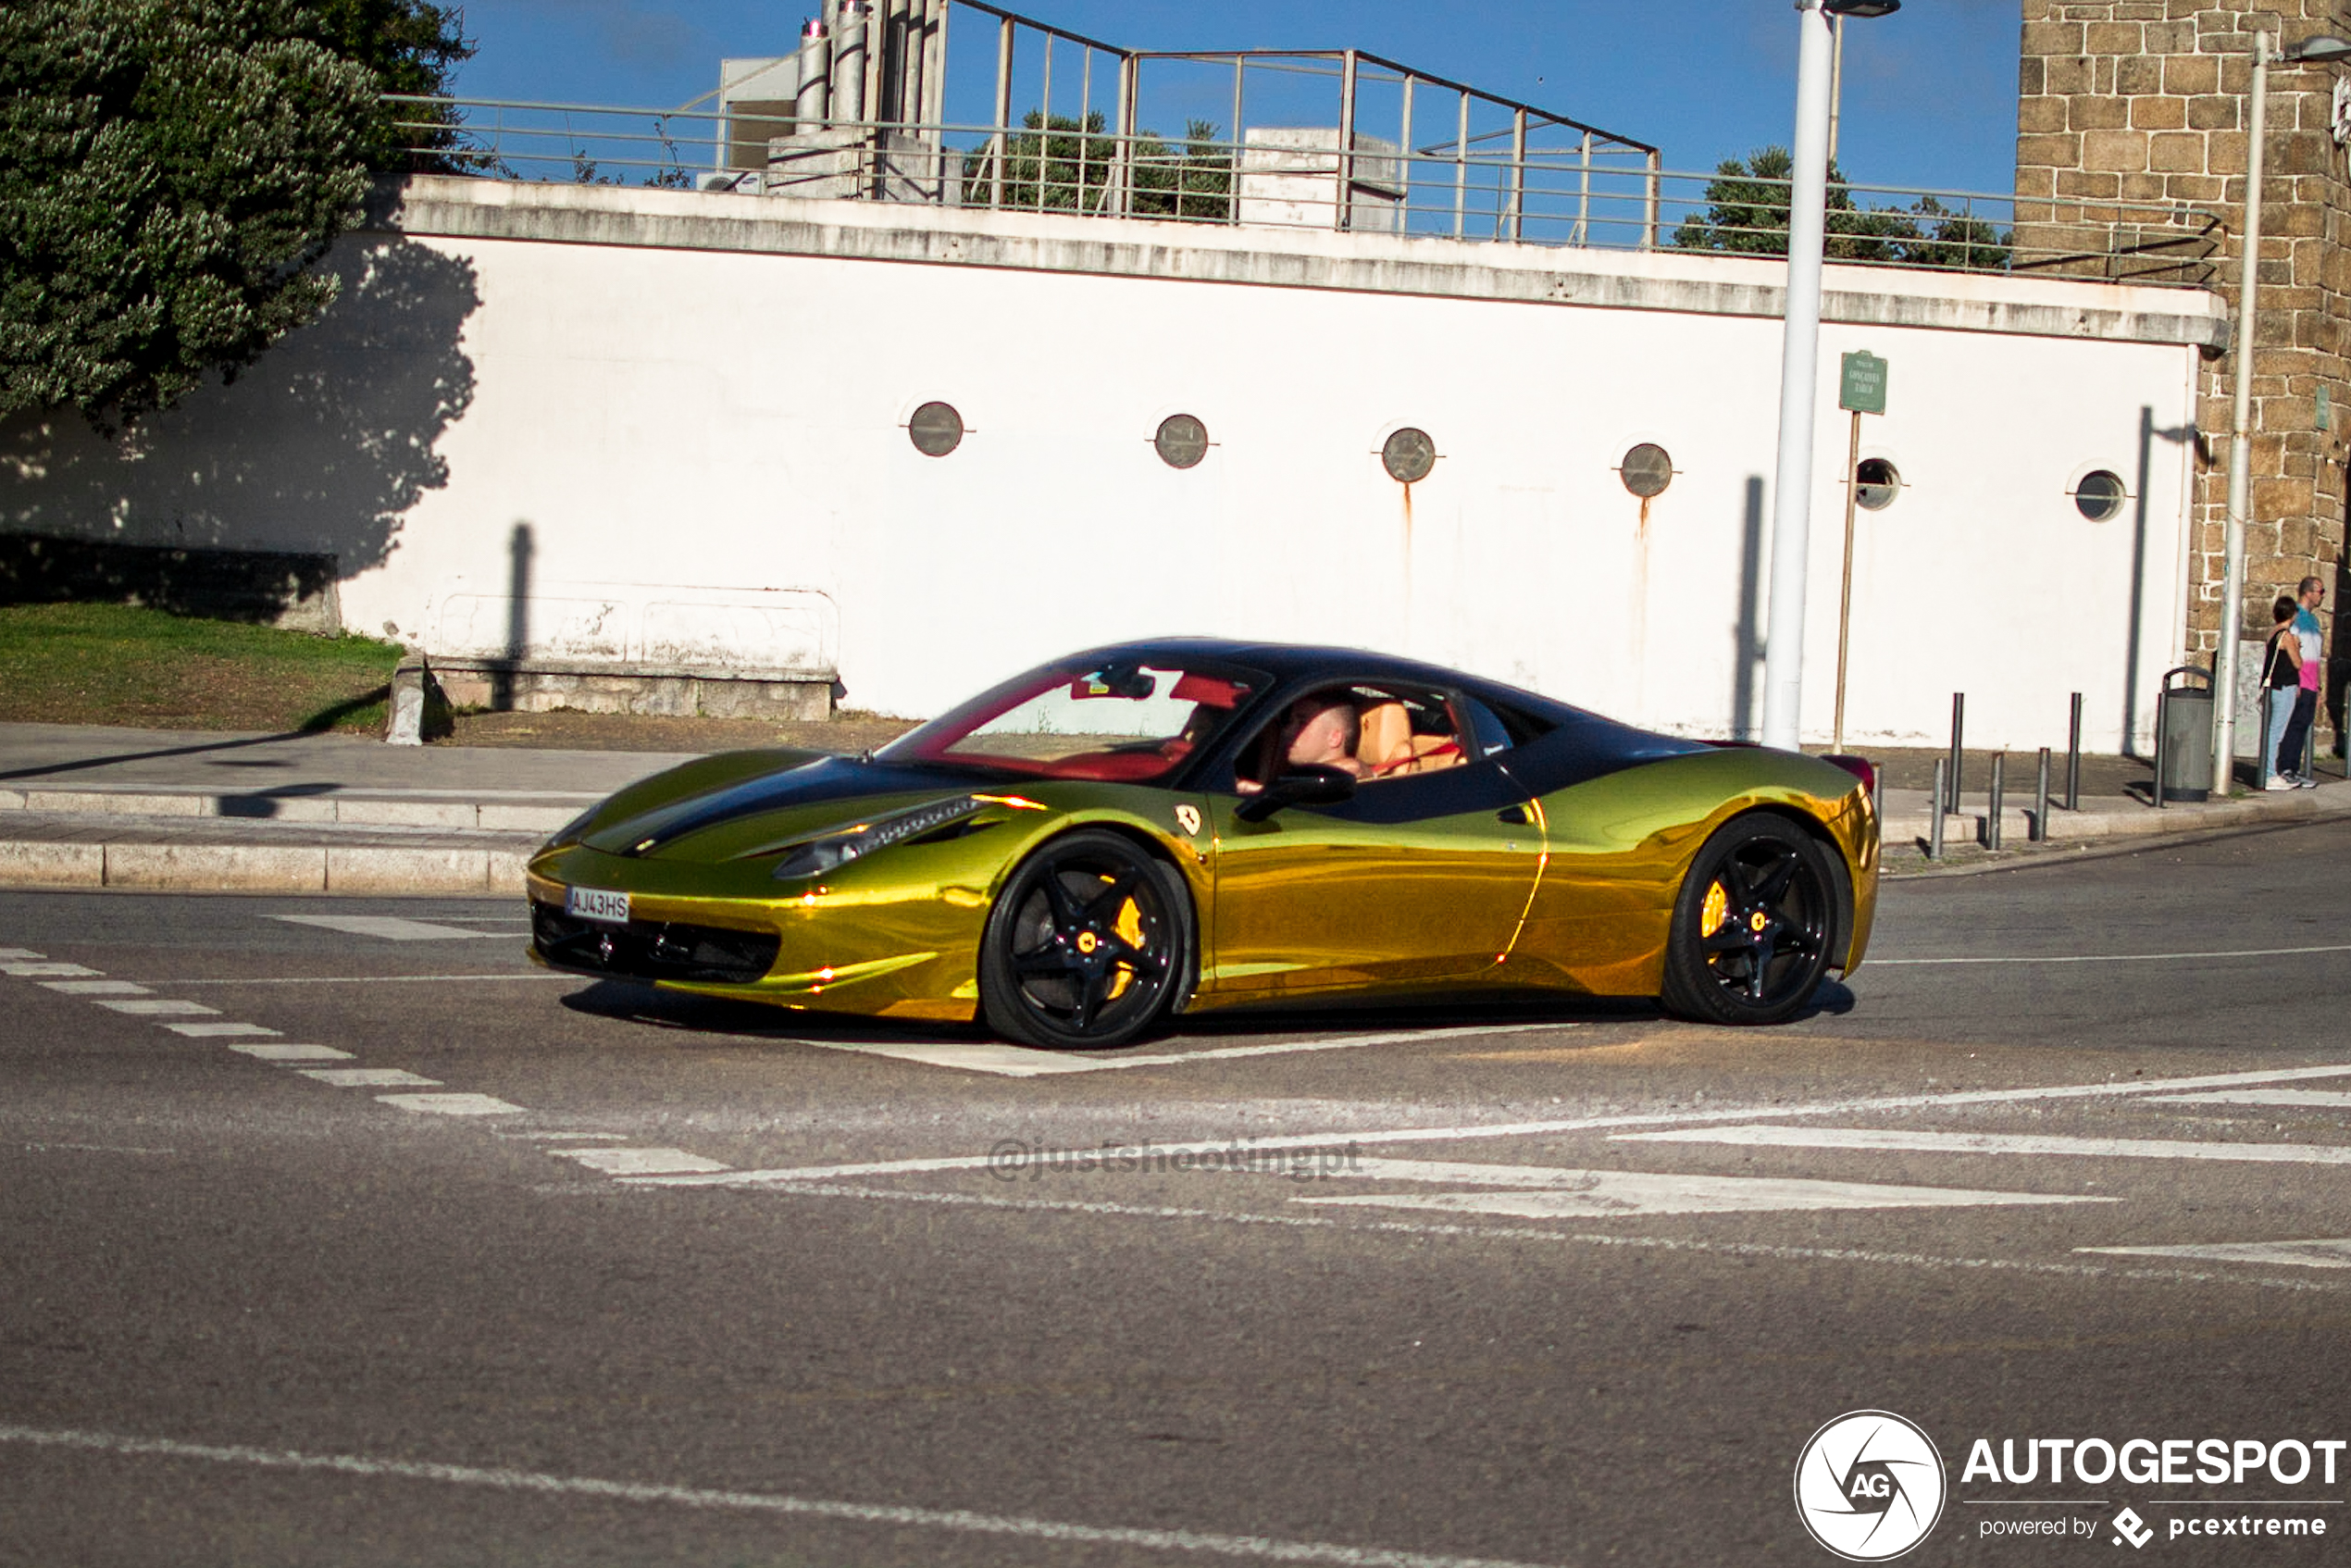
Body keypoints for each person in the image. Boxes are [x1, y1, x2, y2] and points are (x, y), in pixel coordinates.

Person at [1237, 694, 1367, 792]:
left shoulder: (1347, 776)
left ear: (1334, 738)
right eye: (1290, 721)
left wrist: (1257, 792)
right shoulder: (1302, 775)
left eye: (1302, 722)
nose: (1288, 731)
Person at [2275, 576, 2326, 790]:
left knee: (2302, 725)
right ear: (2308, 592)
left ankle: (2294, 769)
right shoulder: (2294, 616)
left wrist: (2320, 685)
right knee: (2293, 726)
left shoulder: (2314, 621)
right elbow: (2290, 649)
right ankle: (2285, 768)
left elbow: (2316, 654)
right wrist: (2295, 682)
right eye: (2320, 591)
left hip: (2312, 683)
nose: (2322, 596)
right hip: (2298, 682)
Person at [2262, 595, 2302, 790]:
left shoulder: (2273, 633)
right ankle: (2270, 774)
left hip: (2272, 686)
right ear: (2292, 614)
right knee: (2276, 732)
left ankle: (2268, 772)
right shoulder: (2287, 636)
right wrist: (2297, 646)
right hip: (2285, 686)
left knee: (2271, 730)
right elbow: (2297, 663)